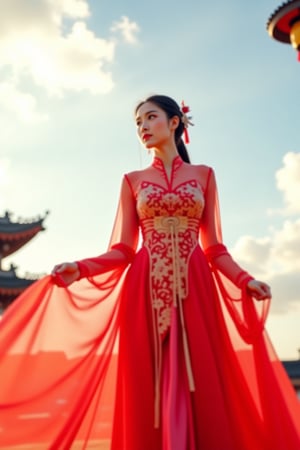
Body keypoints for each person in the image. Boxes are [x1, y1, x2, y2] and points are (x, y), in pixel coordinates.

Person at [0, 95, 299, 450]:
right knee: (148, 381)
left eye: (150, 117)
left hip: (197, 287)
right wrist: (79, 268)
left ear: (175, 122)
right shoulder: (132, 180)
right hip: (144, 287)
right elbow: (123, 249)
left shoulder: (204, 175)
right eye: (137, 122)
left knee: (203, 375)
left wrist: (245, 280)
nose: (142, 127)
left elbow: (215, 248)